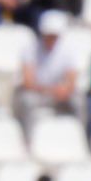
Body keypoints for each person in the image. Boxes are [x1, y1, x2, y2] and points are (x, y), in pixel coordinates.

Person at [14, 9, 78, 138]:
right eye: (48, 35)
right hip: (37, 94)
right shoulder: (30, 48)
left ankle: (78, 137)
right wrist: (53, 90)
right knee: (27, 101)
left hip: (56, 94)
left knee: (78, 102)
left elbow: (72, 80)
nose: (51, 39)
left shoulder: (67, 50)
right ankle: (27, 138)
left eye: (54, 36)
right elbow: (28, 82)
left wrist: (64, 90)